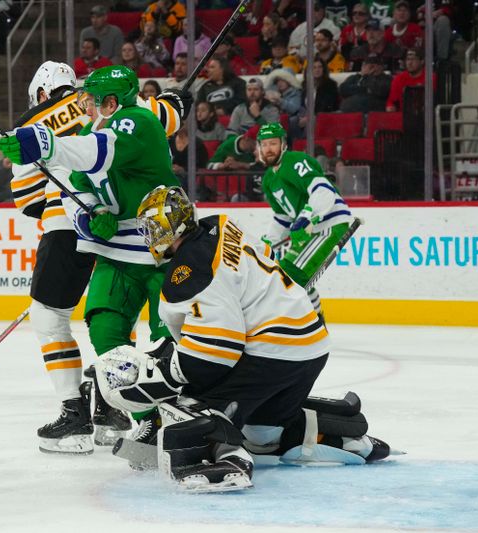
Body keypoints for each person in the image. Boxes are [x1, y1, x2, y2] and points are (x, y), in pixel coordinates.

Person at [93, 185, 392, 492]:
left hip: (272, 350)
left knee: (190, 404)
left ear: (171, 226)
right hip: (309, 344)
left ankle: (227, 460)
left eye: (152, 227)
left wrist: (166, 375)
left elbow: (216, 353)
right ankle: (343, 435)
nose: (150, 236)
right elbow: (266, 258)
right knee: (262, 433)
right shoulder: (220, 225)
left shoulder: (188, 268)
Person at [0, 65, 189, 449]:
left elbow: (30, 200)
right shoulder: (124, 112)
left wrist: (46, 148)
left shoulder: (42, 121)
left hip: (134, 237)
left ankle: (75, 413)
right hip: (109, 238)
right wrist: (88, 211)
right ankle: (114, 404)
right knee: (110, 324)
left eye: (91, 101)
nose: (84, 105)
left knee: (51, 317)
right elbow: (167, 115)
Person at [256, 122, 354, 315]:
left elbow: (323, 190)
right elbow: (282, 217)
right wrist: (269, 242)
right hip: (307, 232)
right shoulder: (268, 179)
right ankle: (316, 320)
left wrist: (307, 216)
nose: (268, 149)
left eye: (273, 143)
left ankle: (311, 325)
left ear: (283, 144)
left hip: (329, 223)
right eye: (264, 144)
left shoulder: (294, 161)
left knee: (292, 275)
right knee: (282, 274)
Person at [386, 47, 430, 112]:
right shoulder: (399, 79)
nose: (410, 63)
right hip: (404, 116)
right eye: (408, 59)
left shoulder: (430, 78)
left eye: (413, 59)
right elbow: (392, 101)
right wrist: (390, 107)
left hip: (426, 116)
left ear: (422, 61)